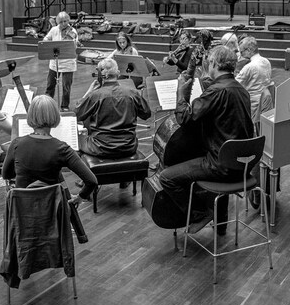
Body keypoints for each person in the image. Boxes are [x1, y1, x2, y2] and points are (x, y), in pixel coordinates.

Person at [160, 45, 254, 234]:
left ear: (214, 63)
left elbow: (184, 118)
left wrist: (181, 93)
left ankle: (200, 213)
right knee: (215, 153)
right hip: (241, 165)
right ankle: (221, 226)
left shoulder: (217, 91)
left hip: (220, 168)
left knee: (167, 178)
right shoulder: (241, 89)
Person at [3, 95, 97, 207]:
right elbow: (92, 181)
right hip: (51, 210)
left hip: (22, 210)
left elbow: (6, 174)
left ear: (30, 116)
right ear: (55, 116)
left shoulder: (16, 144)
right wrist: (80, 197)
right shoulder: (62, 149)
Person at [75, 57, 152, 160]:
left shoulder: (95, 95)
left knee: (77, 139)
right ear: (118, 73)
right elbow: (146, 114)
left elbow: (76, 114)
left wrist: (89, 92)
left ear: (101, 75)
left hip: (100, 147)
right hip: (128, 147)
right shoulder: (132, 93)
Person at [43, 11, 78, 111]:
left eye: (66, 21)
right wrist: (47, 42)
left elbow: (73, 46)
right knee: (50, 84)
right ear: (58, 22)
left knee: (66, 86)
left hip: (68, 63)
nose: (64, 24)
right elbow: (46, 39)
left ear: (68, 20)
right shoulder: (54, 29)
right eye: (61, 22)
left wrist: (73, 41)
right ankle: (47, 103)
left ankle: (64, 106)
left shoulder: (73, 31)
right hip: (55, 62)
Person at [235, 36, 272, 120]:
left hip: (252, 106)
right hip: (264, 103)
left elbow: (234, 84)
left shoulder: (250, 67)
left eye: (241, 52)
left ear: (249, 50)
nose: (241, 55)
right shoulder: (266, 61)